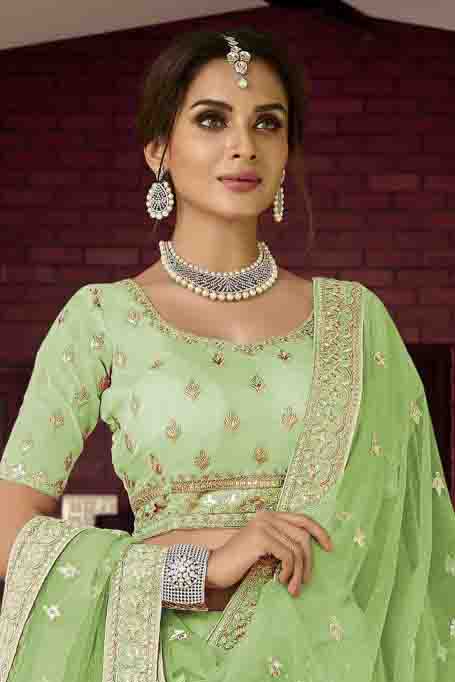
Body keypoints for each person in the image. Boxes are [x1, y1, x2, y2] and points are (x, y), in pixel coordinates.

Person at [0, 26, 454, 682]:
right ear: (159, 151)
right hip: (165, 661)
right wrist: (198, 570)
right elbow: (12, 534)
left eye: (267, 123)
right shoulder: (101, 318)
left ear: (287, 152)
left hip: (331, 661)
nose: (243, 144)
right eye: (211, 120)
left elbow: (413, 555)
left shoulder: (355, 321)